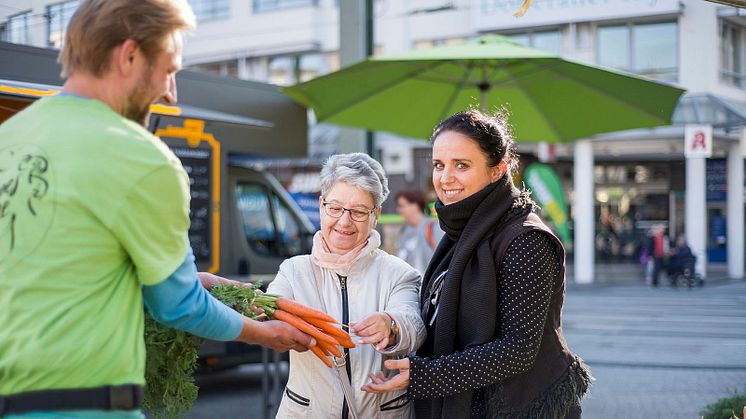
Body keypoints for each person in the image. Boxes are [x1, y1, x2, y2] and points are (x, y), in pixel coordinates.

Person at [0, 1, 311, 417]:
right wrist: (265, 333)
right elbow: (177, 305)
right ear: (129, 55)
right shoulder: (140, 157)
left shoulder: (10, 137)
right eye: (169, 70)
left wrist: (202, 281)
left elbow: (68, 277)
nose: (171, 93)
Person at [362, 110, 592, 418]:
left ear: (497, 170)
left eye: (462, 165)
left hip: (518, 408)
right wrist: (393, 326)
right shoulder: (461, 232)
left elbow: (518, 350)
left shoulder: (527, 239)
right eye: (438, 165)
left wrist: (427, 375)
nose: (445, 178)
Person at [268, 153, 426, 418]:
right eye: (335, 208)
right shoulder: (294, 271)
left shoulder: (399, 274)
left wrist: (392, 324)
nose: (344, 221)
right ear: (321, 205)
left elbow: (414, 324)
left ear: (375, 215)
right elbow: (271, 316)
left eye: (358, 212)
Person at [395, 189, 445, 274]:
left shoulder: (433, 227)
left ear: (415, 206)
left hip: (427, 284)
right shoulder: (404, 231)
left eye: (402, 206)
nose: (399, 210)